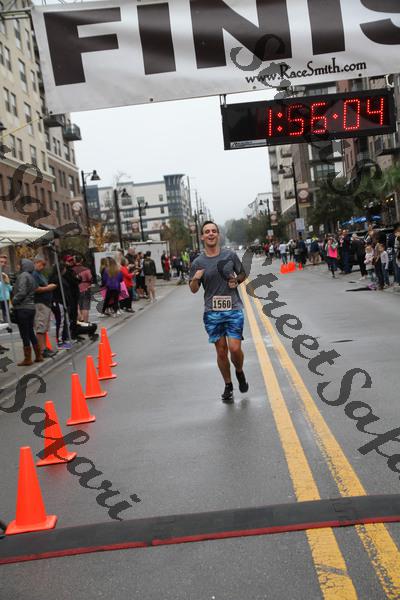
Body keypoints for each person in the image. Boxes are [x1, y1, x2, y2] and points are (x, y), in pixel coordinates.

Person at [189, 220, 248, 404]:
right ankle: (228, 384)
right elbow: (193, 289)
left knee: (235, 349)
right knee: (221, 351)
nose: (211, 234)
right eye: (207, 231)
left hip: (233, 308)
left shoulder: (230, 255)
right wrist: (195, 279)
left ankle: (239, 371)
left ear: (218, 235)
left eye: (214, 231)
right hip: (212, 312)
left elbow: (243, 273)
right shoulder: (198, 262)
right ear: (202, 237)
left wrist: (237, 281)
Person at [12, 258, 40, 365]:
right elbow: (35, 289)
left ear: (23, 266)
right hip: (31, 307)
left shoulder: (23, 276)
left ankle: (27, 359)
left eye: (19, 265)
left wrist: (14, 300)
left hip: (23, 307)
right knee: (30, 332)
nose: (17, 267)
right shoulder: (31, 276)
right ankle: (38, 355)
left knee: (24, 333)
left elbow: (22, 292)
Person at [32, 255, 57, 359]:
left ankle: (44, 348)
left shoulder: (39, 274)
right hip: (40, 303)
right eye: (42, 264)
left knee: (44, 327)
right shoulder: (34, 274)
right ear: (36, 262)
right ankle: (42, 350)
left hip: (45, 303)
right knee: (41, 326)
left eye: (44, 265)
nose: (43, 266)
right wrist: (48, 288)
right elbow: (35, 289)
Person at [49, 261, 71, 349]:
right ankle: (60, 341)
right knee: (61, 321)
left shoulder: (58, 278)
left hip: (61, 301)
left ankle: (63, 339)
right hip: (59, 302)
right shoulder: (56, 278)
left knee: (63, 321)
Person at [73, 256, 92, 323]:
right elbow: (90, 278)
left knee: (77, 306)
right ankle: (85, 323)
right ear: (81, 260)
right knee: (85, 307)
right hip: (85, 289)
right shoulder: (86, 270)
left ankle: (80, 321)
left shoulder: (71, 270)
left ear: (74, 261)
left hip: (75, 290)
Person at [0, 254, 11, 353]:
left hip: (5, 299)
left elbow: (9, 288)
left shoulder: (4, 274)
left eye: (4, 262)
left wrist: (7, 283)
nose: (3, 264)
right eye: (1, 262)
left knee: (4, 323)